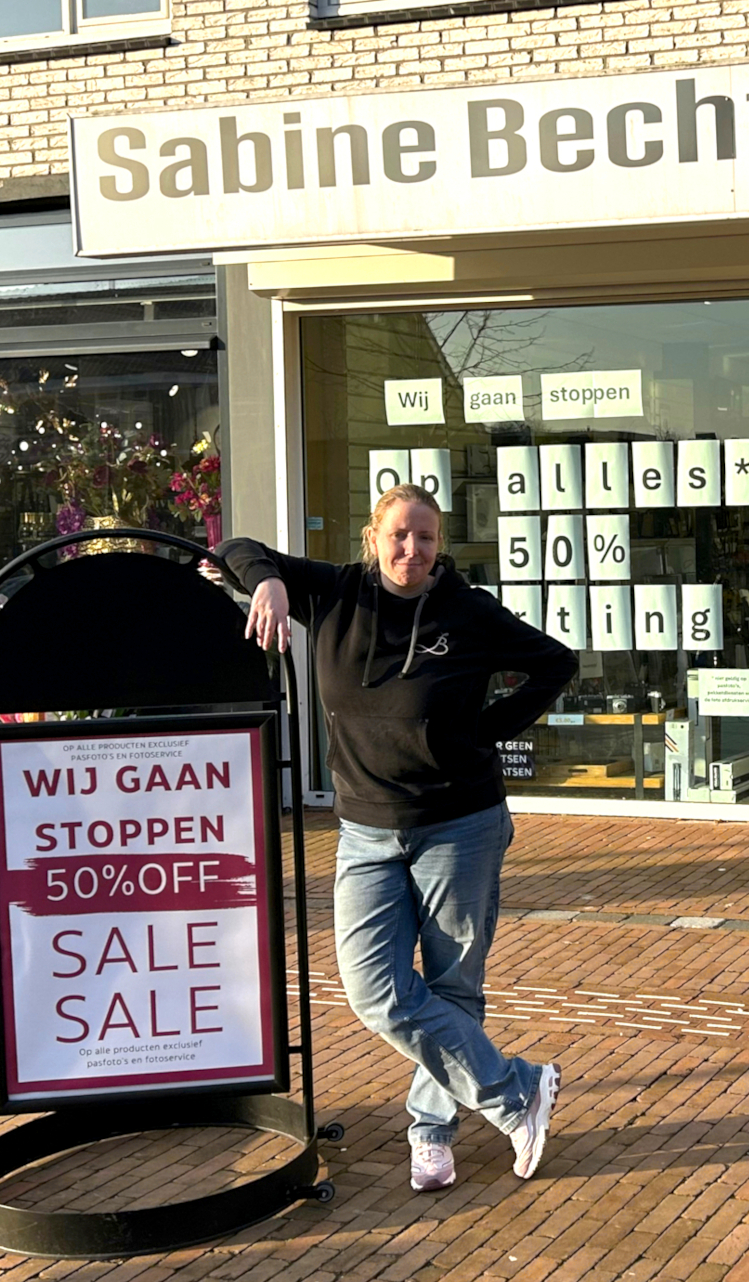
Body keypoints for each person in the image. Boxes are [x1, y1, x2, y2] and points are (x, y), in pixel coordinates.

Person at [216, 483, 577, 1191]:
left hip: (460, 826)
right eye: (400, 535)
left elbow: (555, 663)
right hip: (365, 831)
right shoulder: (334, 592)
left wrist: (489, 730)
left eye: (427, 538)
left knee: (452, 985)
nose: (413, 549)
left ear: (440, 546)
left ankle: (432, 1131)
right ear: (373, 537)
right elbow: (237, 548)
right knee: (374, 989)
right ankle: (516, 1091)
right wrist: (270, 587)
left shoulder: (468, 611)